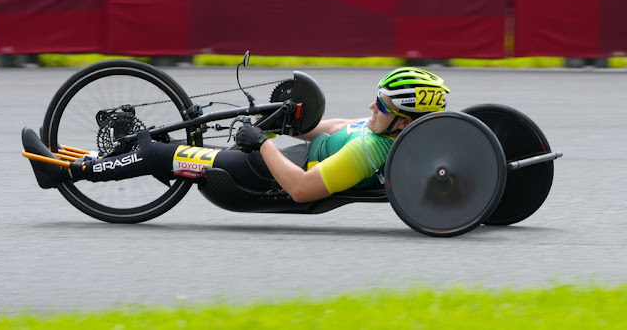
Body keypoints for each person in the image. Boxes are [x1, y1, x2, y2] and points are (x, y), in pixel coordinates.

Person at [22, 67, 450, 203]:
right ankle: (117, 157)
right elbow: (327, 127)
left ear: (404, 123)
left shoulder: (372, 152)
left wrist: (260, 143)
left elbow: (302, 189)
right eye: (376, 98)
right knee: (170, 146)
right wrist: (288, 119)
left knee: (156, 152)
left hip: (249, 181)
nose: (371, 107)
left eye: (383, 106)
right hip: (271, 161)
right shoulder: (379, 131)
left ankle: (66, 173)